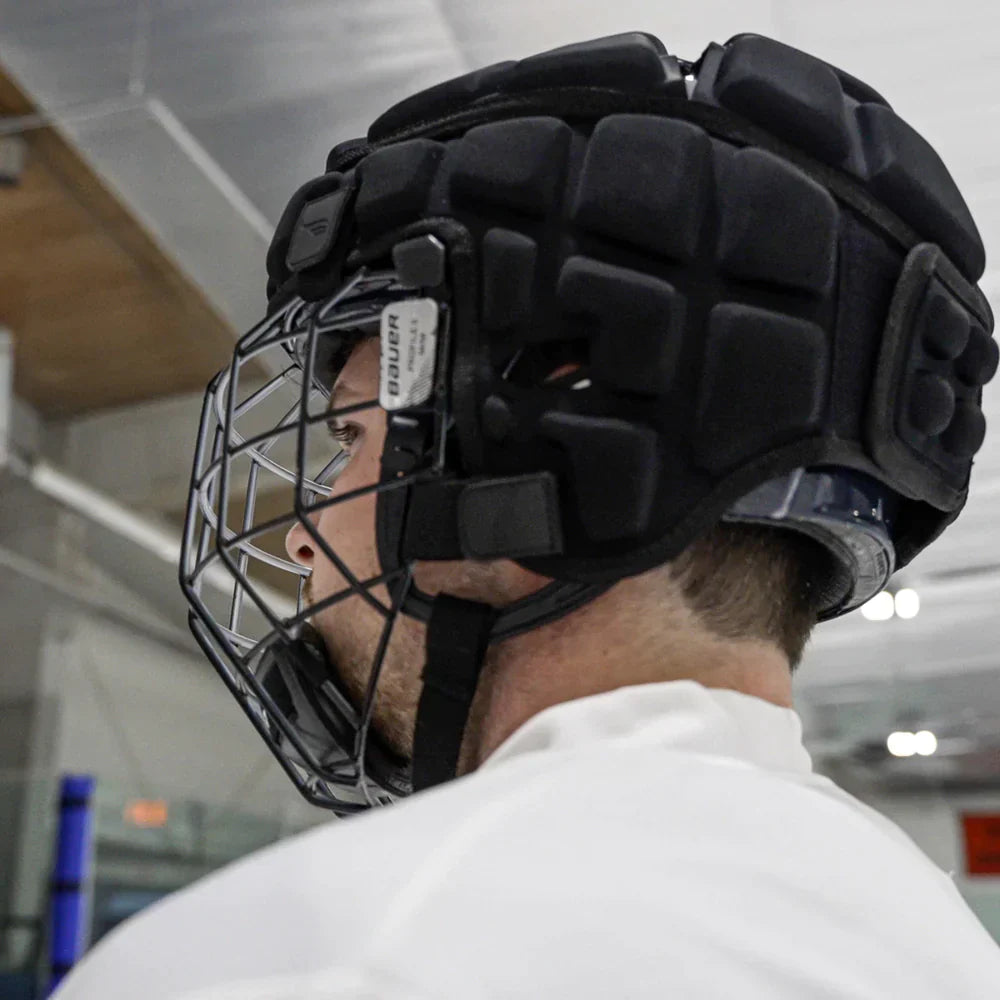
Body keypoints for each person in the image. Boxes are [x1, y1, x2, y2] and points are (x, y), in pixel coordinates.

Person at [56, 30, 1000, 999]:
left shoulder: (299, 959)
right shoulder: (940, 946)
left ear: (537, 447)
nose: (301, 531)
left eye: (348, 440)